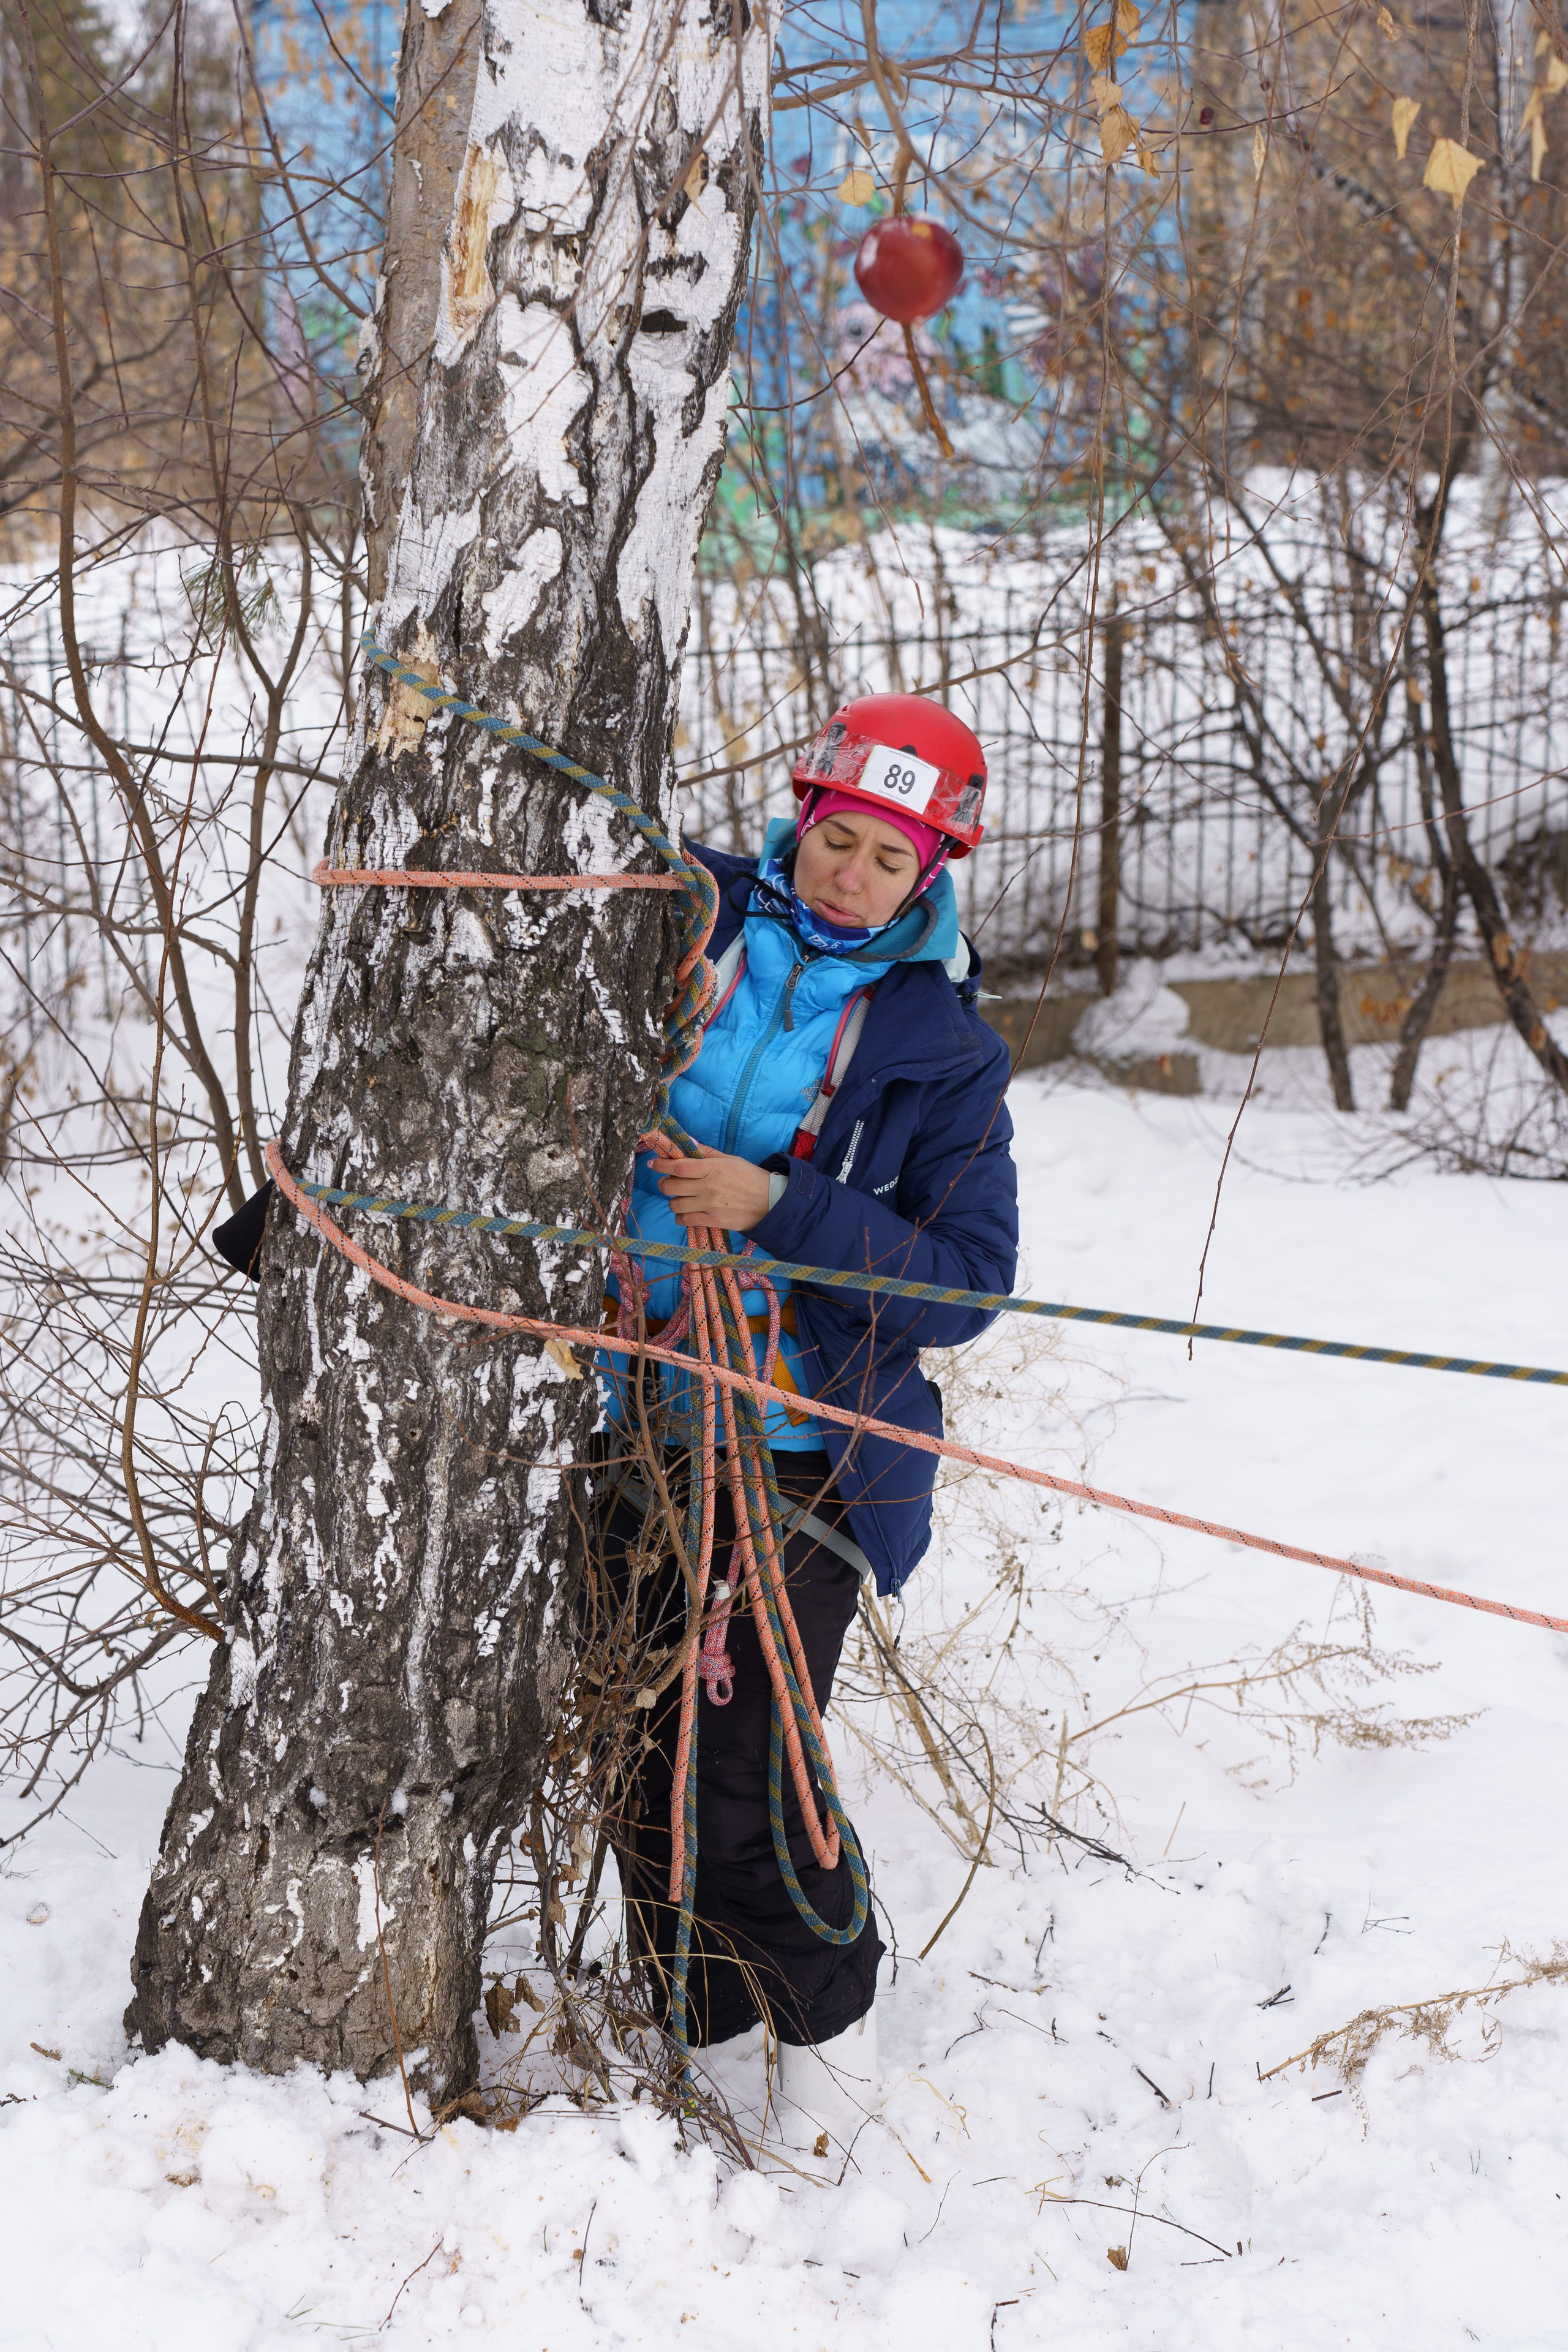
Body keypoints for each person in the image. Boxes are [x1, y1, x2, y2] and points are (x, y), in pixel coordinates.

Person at [594, 691, 1019, 2160]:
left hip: (799, 1453)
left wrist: (779, 1207)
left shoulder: (940, 1049)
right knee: (638, 1763)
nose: (852, 875)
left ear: (931, 875)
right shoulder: (687, 916)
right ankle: (706, 2048)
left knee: (745, 1769)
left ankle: (830, 2057)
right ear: (802, 819)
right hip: (628, 1422)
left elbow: (964, 1284)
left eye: (890, 860)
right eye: (839, 839)